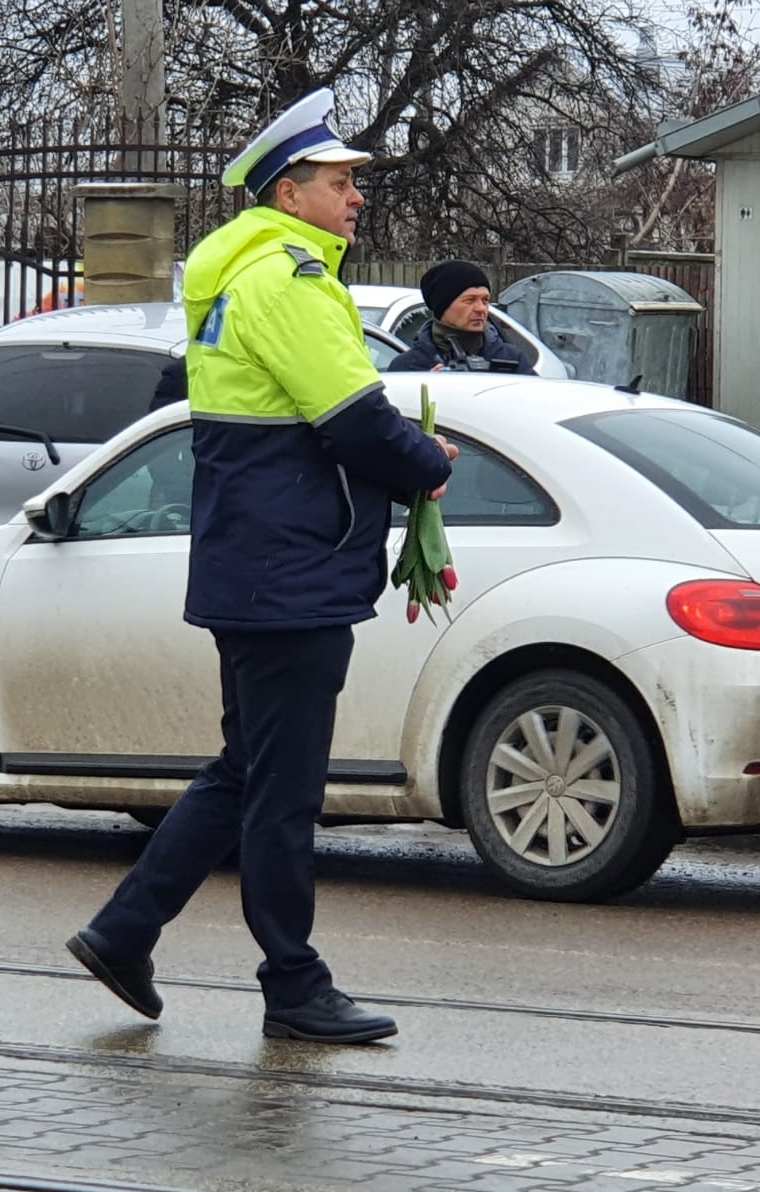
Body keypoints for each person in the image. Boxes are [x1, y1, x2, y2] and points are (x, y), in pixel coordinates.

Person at [65, 88, 458, 1045]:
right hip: (292, 576)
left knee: (245, 772)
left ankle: (123, 932)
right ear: (289, 193)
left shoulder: (245, 276)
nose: (355, 196)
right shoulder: (288, 283)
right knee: (283, 794)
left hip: (257, 566)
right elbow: (353, 421)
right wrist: (426, 463)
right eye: (339, 181)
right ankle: (293, 983)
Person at [388, 260, 537, 375]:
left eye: (485, 300)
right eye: (470, 300)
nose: (481, 308)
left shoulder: (512, 361)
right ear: (443, 306)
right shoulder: (406, 368)